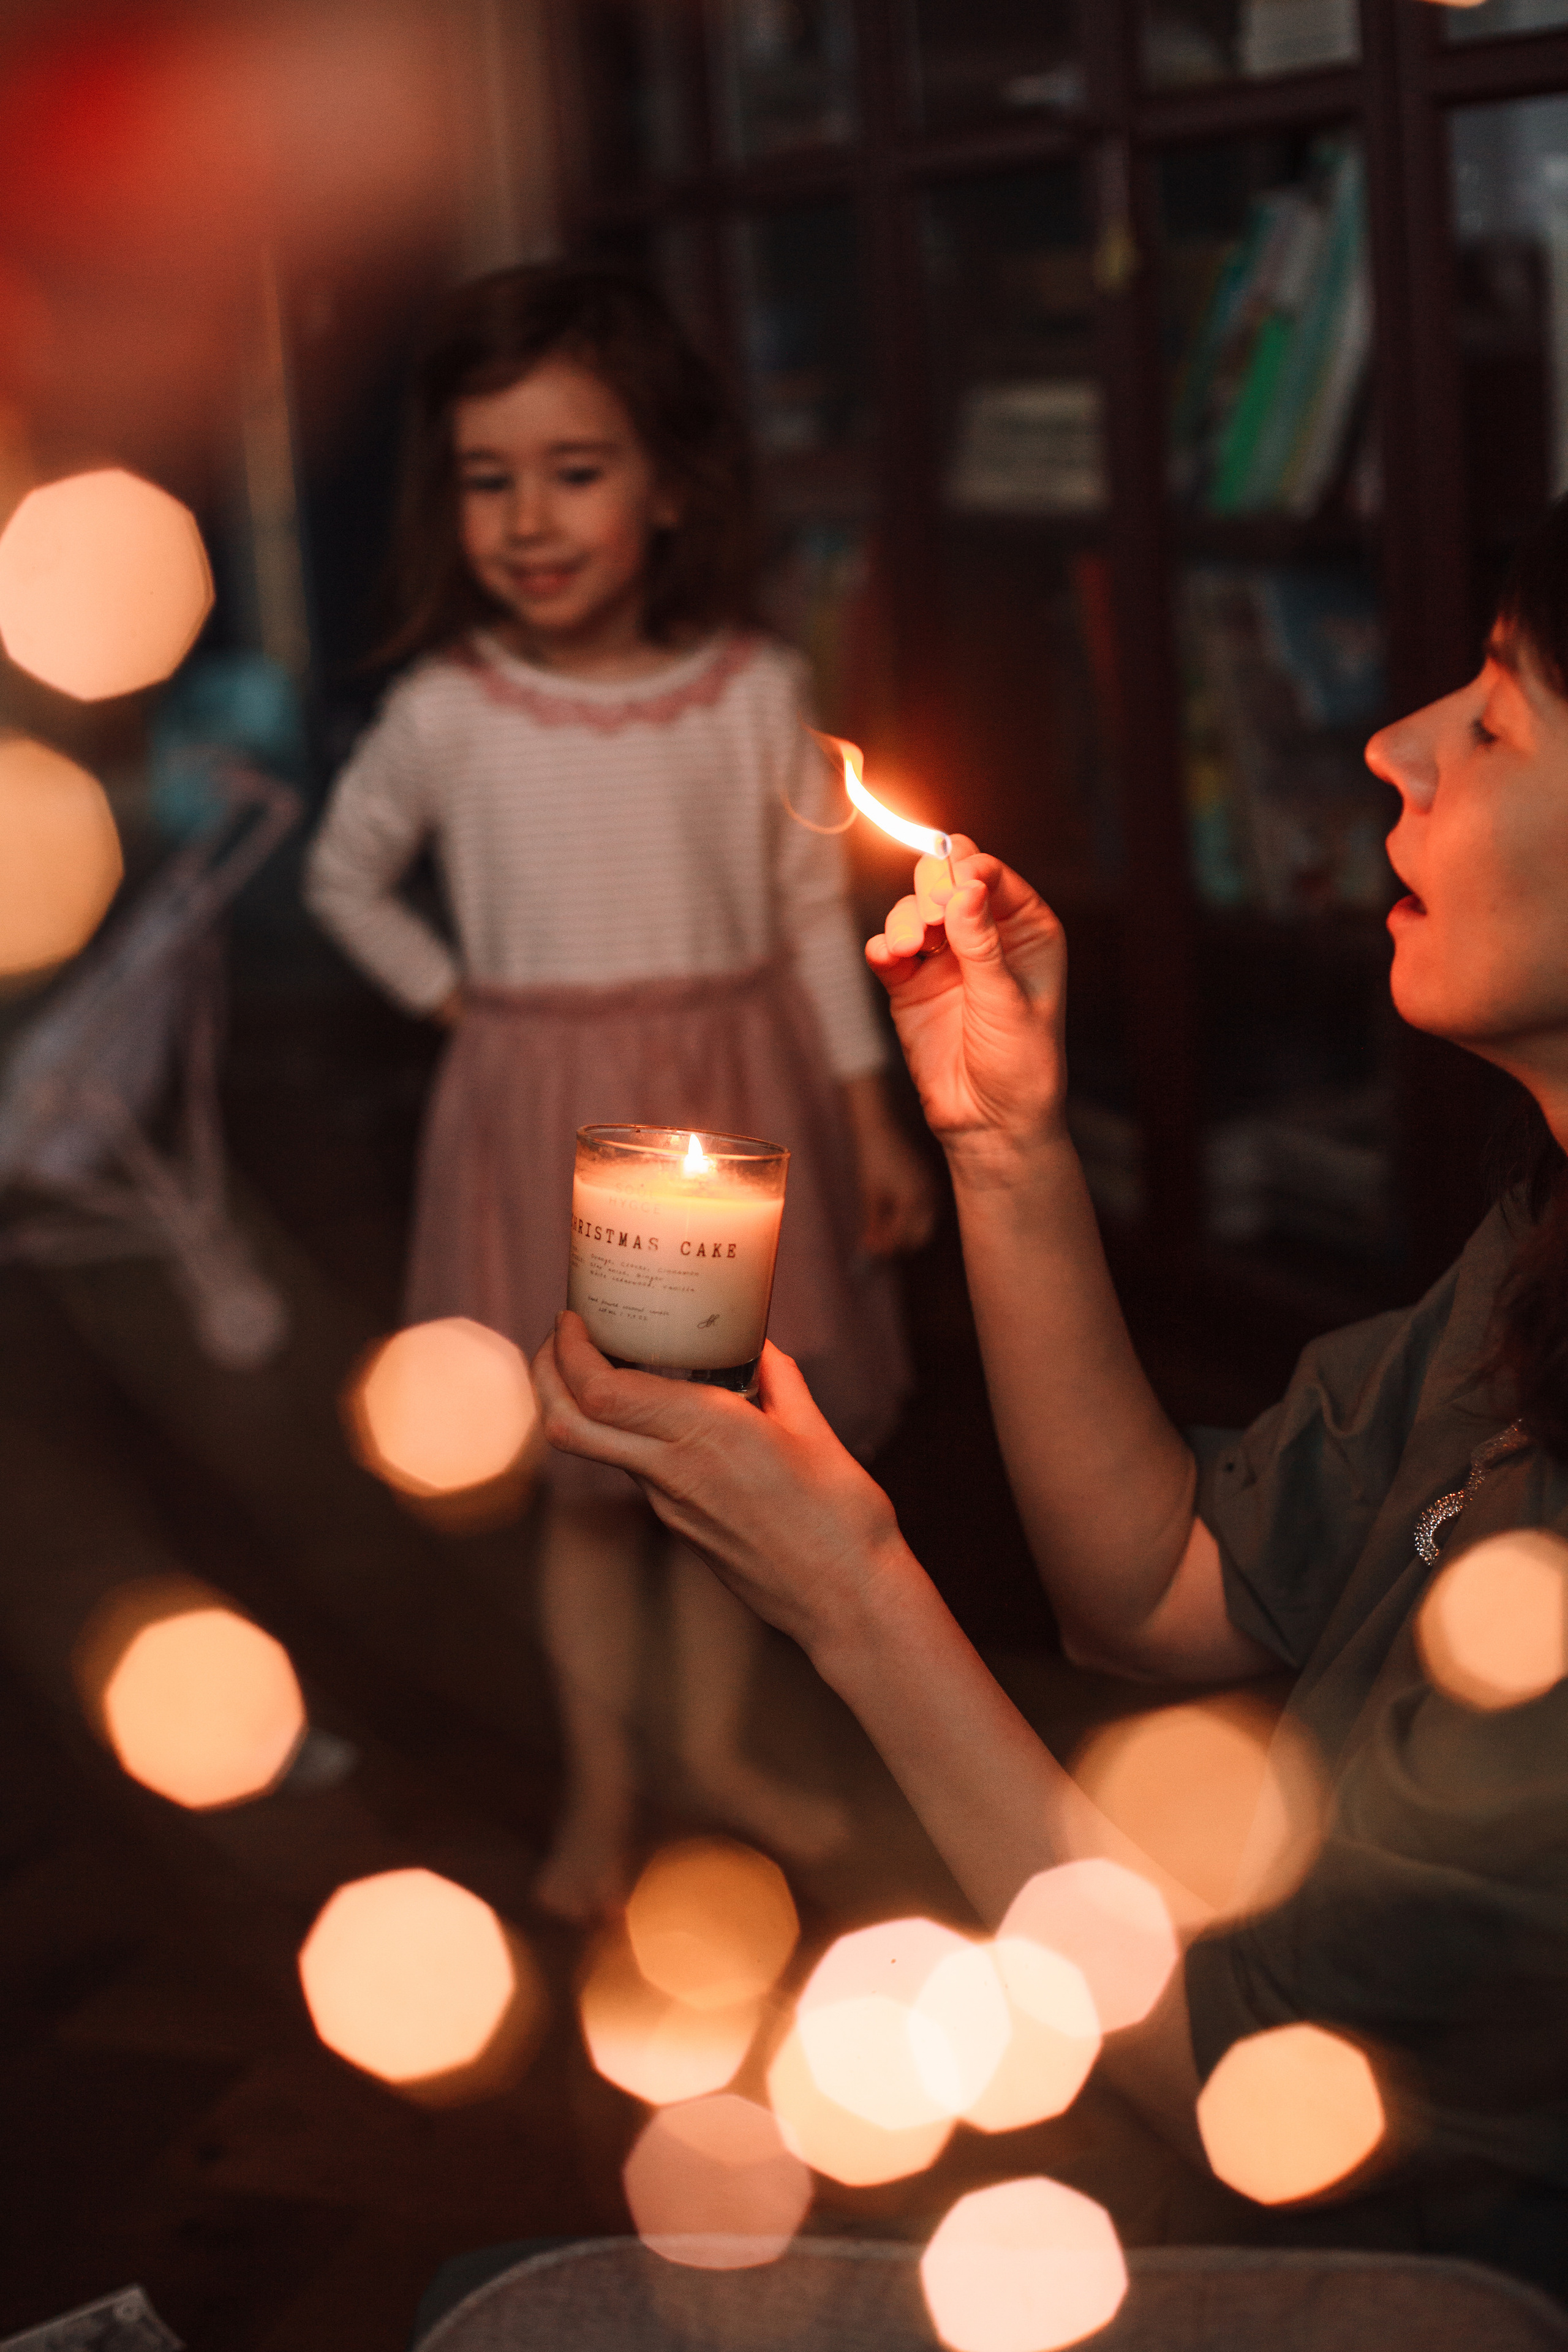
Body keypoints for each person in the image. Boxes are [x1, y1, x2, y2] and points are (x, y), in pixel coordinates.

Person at [534, 495, 1568, 2291]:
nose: (1394, 743)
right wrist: (1001, 1141)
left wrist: (850, 1594)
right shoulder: (1539, 1254)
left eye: (1494, 719)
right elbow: (1155, 1587)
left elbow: (1253, 2086)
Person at [304, 264, 933, 1923]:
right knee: (587, 1495)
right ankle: (607, 1784)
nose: (526, 516)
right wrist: (472, 1009)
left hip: (733, 1106)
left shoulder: (748, 695)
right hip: (541, 1121)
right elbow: (345, 881)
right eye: (487, 477)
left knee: (717, 1470)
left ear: (667, 488)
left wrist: (870, 1118)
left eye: (573, 470)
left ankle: (718, 1754)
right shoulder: (449, 713)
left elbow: (810, 912)